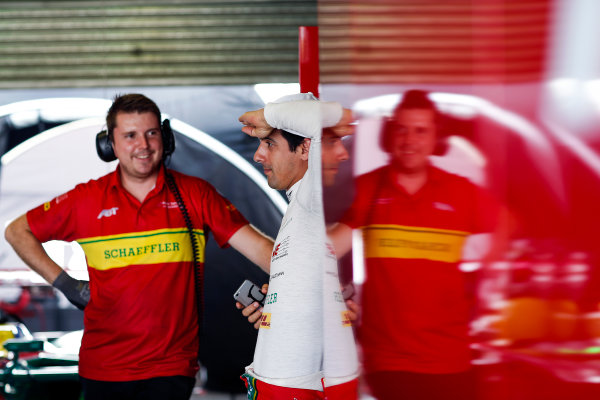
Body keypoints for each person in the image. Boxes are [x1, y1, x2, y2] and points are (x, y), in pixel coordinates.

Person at [4, 93, 274, 400]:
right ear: (109, 145)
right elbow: (17, 231)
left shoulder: (196, 195)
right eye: (130, 136)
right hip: (103, 368)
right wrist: (67, 285)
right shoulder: (86, 199)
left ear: (165, 137)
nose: (143, 145)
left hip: (170, 369)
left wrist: (310, 284)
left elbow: (265, 252)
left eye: (151, 133)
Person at [328, 89, 508, 400]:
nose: (410, 141)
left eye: (421, 131)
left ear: (436, 138)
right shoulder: (368, 188)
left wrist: (488, 274)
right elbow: (330, 247)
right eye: (402, 129)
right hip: (389, 363)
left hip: (452, 360)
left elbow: (507, 222)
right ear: (389, 134)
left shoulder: (460, 192)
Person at [237, 94, 359, 399]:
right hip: (290, 385)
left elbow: (325, 116)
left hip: (295, 389)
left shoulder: (311, 193)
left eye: (270, 143)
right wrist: (275, 312)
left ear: (306, 148)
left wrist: (267, 115)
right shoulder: (301, 206)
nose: (258, 155)